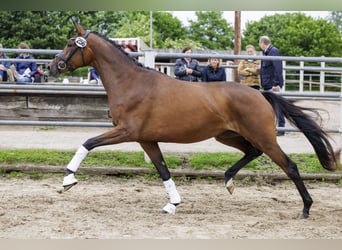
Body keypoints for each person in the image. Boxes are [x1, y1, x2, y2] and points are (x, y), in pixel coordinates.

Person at [259, 36, 285, 136]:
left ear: (262, 43)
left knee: (277, 106)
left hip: (272, 84)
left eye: (260, 43)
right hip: (267, 84)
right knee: (271, 107)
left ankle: (281, 128)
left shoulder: (273, 51)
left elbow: (277, 68)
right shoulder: (266, 52)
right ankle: (274, 127)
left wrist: (276, 83)